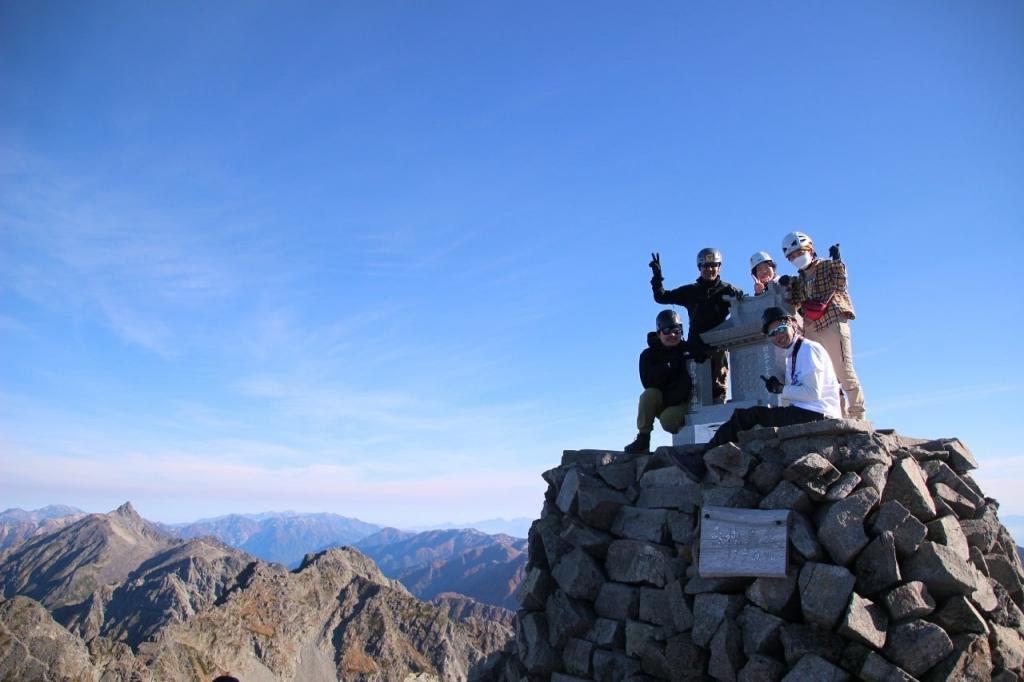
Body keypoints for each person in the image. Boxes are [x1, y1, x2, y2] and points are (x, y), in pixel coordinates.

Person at [704, 307, 841, 448]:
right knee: (754, 416)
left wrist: (781, 389)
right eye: (772, 333)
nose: (778, 336)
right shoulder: (793, 353)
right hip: (809, 412)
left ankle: (705, 452)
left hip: (817, 413)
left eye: (781, 329)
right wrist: (779, 388)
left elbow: (812, 393)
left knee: (747, 416)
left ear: (792, 324)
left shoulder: (807, 349)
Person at [780, 231, 866, 419]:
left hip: (832, 321)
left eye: (799, 252)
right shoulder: (799, 280)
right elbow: (795, 302)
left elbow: (840, 285)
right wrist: (788, 286)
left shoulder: (827, 266)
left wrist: (837, 262)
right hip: (811, 327)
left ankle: (857, 416)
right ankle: (838, 415)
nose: (796, 258)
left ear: (810, 249)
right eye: (792, 256)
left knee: (843, 370)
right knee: (826, 375)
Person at [649, 248, 743, 404]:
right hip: (695, 346)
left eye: (713, 265)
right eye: (705, 266)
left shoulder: (728, 290)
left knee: (718, 392)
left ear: (719, 267)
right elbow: (662, 297)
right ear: (699, 268)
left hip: (718, 347)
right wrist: (657, 276)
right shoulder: (691, 291)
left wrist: (740, 295)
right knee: (696, 392)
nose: (710, 269)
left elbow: (744, 307)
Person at [623, 310, 694, 454]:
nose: (672, 335)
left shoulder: (689, 350)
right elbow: (648, 382)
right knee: (648, 395)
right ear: (659, 332)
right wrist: (669, 365)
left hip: (684, 402)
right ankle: (643, 439)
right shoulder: (648, 355)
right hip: (663, 401)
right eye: (667, 331)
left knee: (669, 421)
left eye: (676, 330)